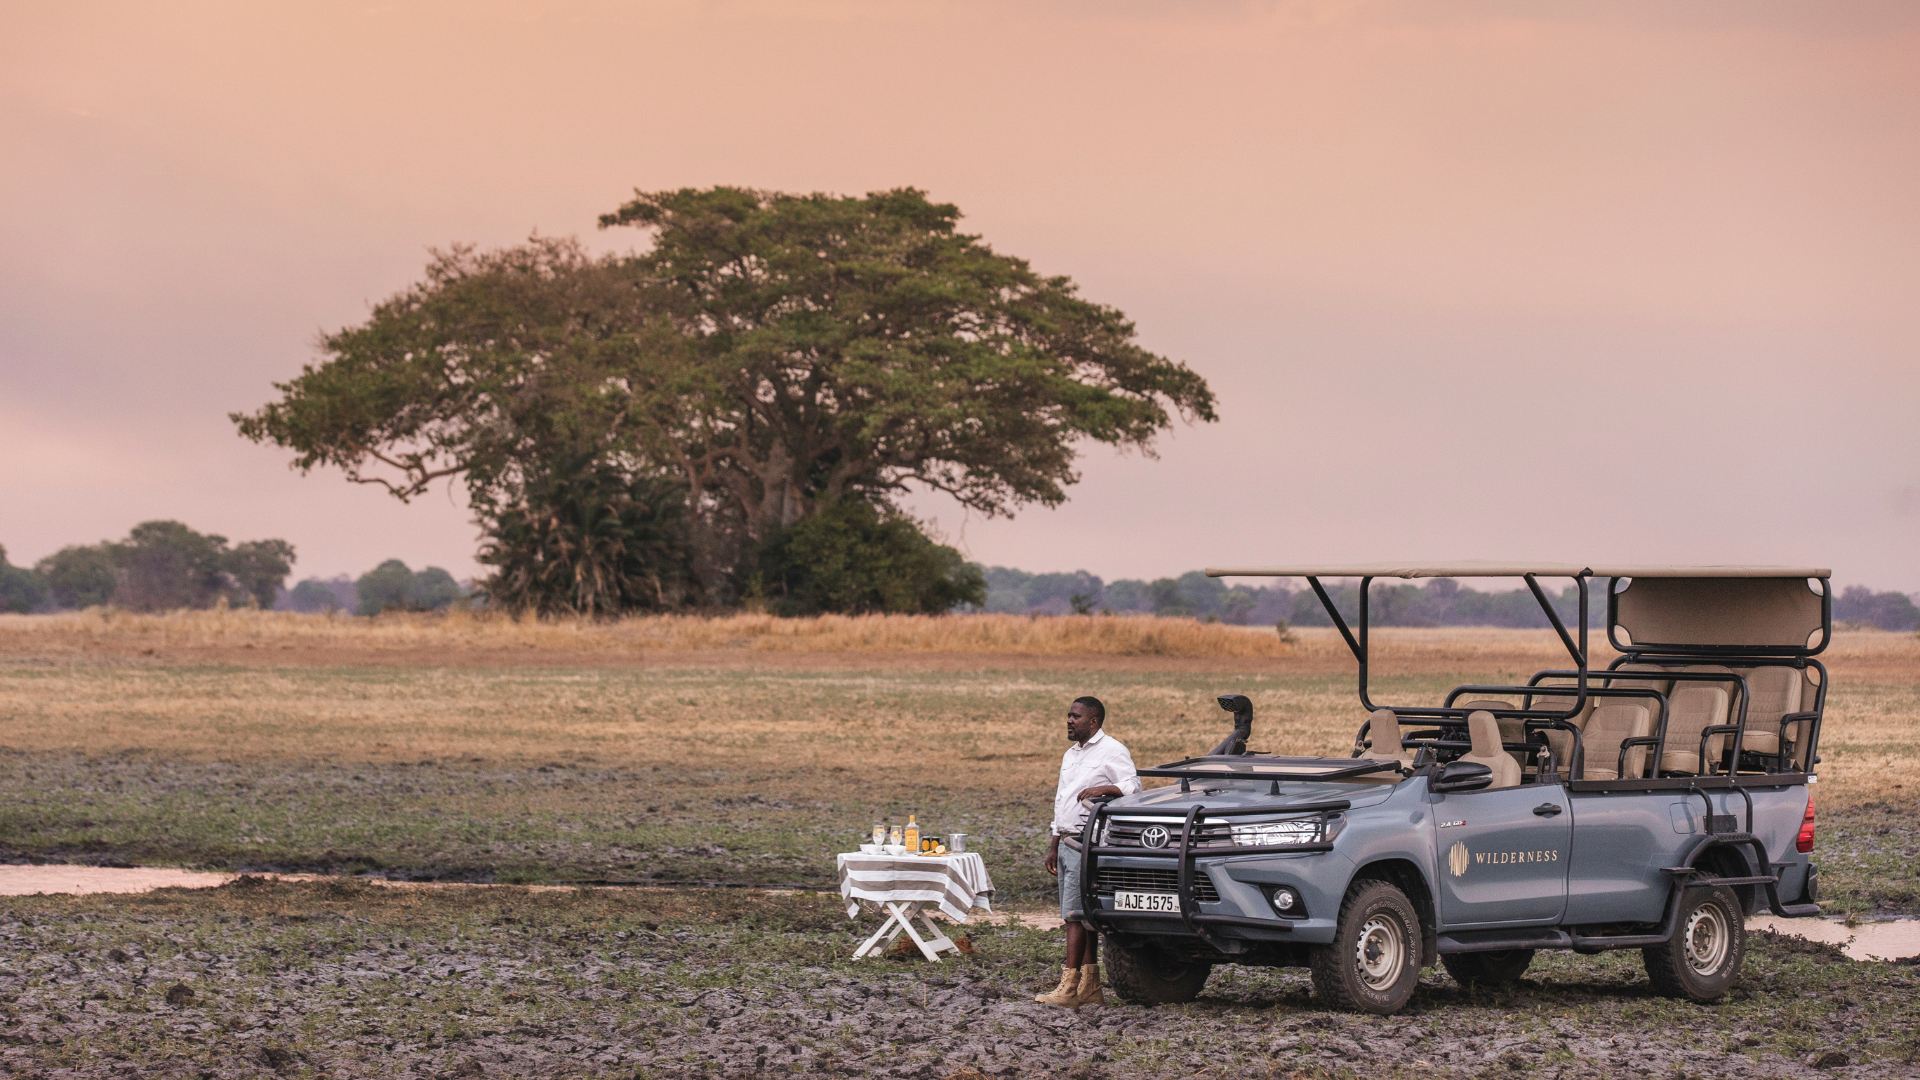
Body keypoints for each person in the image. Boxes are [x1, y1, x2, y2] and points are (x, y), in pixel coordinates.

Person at [1035, 695, 1139, 1008]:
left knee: (1075, 916)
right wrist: (1054, 843)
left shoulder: (1113, 750)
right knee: (1081, 914)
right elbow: (1061, 799)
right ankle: (1090, 986)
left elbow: (1133, 789)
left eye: (1075, 717)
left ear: (1093, 722)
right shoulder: (1070, 754)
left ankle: (1068, 987)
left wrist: (1104, 789)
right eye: (1068, 715)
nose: (1069, 721)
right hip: (1065, 841)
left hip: (1087, 841)